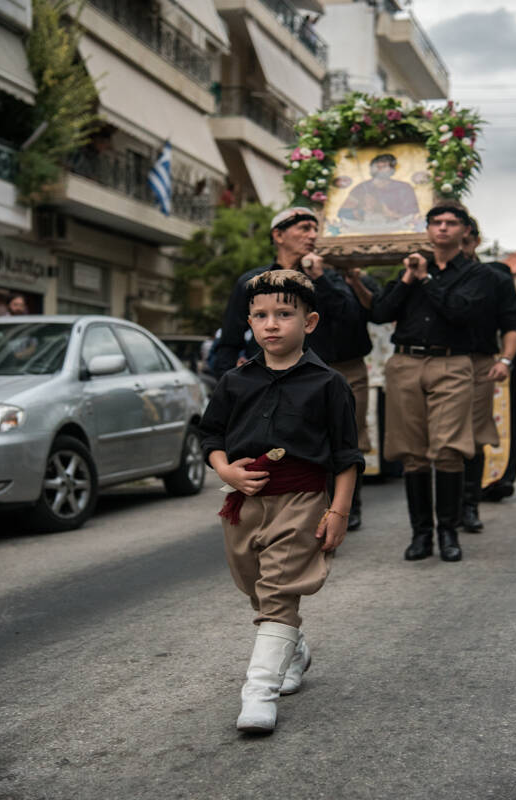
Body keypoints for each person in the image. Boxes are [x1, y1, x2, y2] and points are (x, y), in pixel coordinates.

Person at [199, 269, 363, 733]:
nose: (271, 324)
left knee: (278, 590)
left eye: (284, 314)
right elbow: (211, 434)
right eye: (261, 316)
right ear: (249, 322)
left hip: (302, 498)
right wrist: (225, 469)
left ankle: (258, 693)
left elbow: (346, 456)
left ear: (308, 322)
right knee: (255, 585)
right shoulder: (235, 380)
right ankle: (294, 646)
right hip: (243, 500)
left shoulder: (328, 383)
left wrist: (339, 511)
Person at [211, 206, 377, 531]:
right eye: (303, 228)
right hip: (273, 378)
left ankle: (342, 508)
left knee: (341, 440)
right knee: (284, 443)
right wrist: (224, 383)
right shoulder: (252, 282)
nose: (312, 235)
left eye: (315, 229)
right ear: (278, 235)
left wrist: (318, 279)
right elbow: (230, 336)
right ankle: (283, 512)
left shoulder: (330, 277)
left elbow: (350, 319)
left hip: (327, 375)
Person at [370, 204, 485, 562]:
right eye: (437, 223)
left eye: (452, 223)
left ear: (464, 230)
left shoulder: (475, 274)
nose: (444, 228)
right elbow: (379, 313)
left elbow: (459, 311)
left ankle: (448, 532)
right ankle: (421, 535)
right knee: (411, 452)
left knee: (449, 448)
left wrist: (426, 280)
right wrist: (407, 279)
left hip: (451, 363)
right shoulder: (411, 268)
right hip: (405, 362)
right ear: (428, 229)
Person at [459, 217, 516, 531]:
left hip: (479, 362)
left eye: (468, 238)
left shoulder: (496, 276)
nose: (461, 242)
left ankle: (469, 506)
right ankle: (446, 508)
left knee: (472, 435)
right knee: (442, 440)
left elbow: (512, 325)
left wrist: (506, 360)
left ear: (476, 239)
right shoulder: (432, 273)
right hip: (440, 361)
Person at [337, 154, 422, 234]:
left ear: (392, 169)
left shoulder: (404, 188)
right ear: (371, 168)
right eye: (377, 166)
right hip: (365, 230)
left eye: (384, 166)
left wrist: (389, 213)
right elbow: (343, 214)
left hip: (396, 229)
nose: (380, 169)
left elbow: (412, 214)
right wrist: (363, 210)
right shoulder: (360, 188)